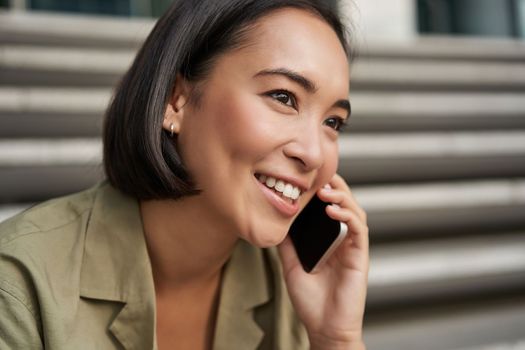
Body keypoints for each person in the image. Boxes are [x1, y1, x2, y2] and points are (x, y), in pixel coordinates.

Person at [0, 0, 369, 349]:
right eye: (284, 97)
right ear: (175, 100)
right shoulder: (19, 284)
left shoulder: (291, 285)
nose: (314, 154)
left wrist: (336, 340)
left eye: (333, 122)